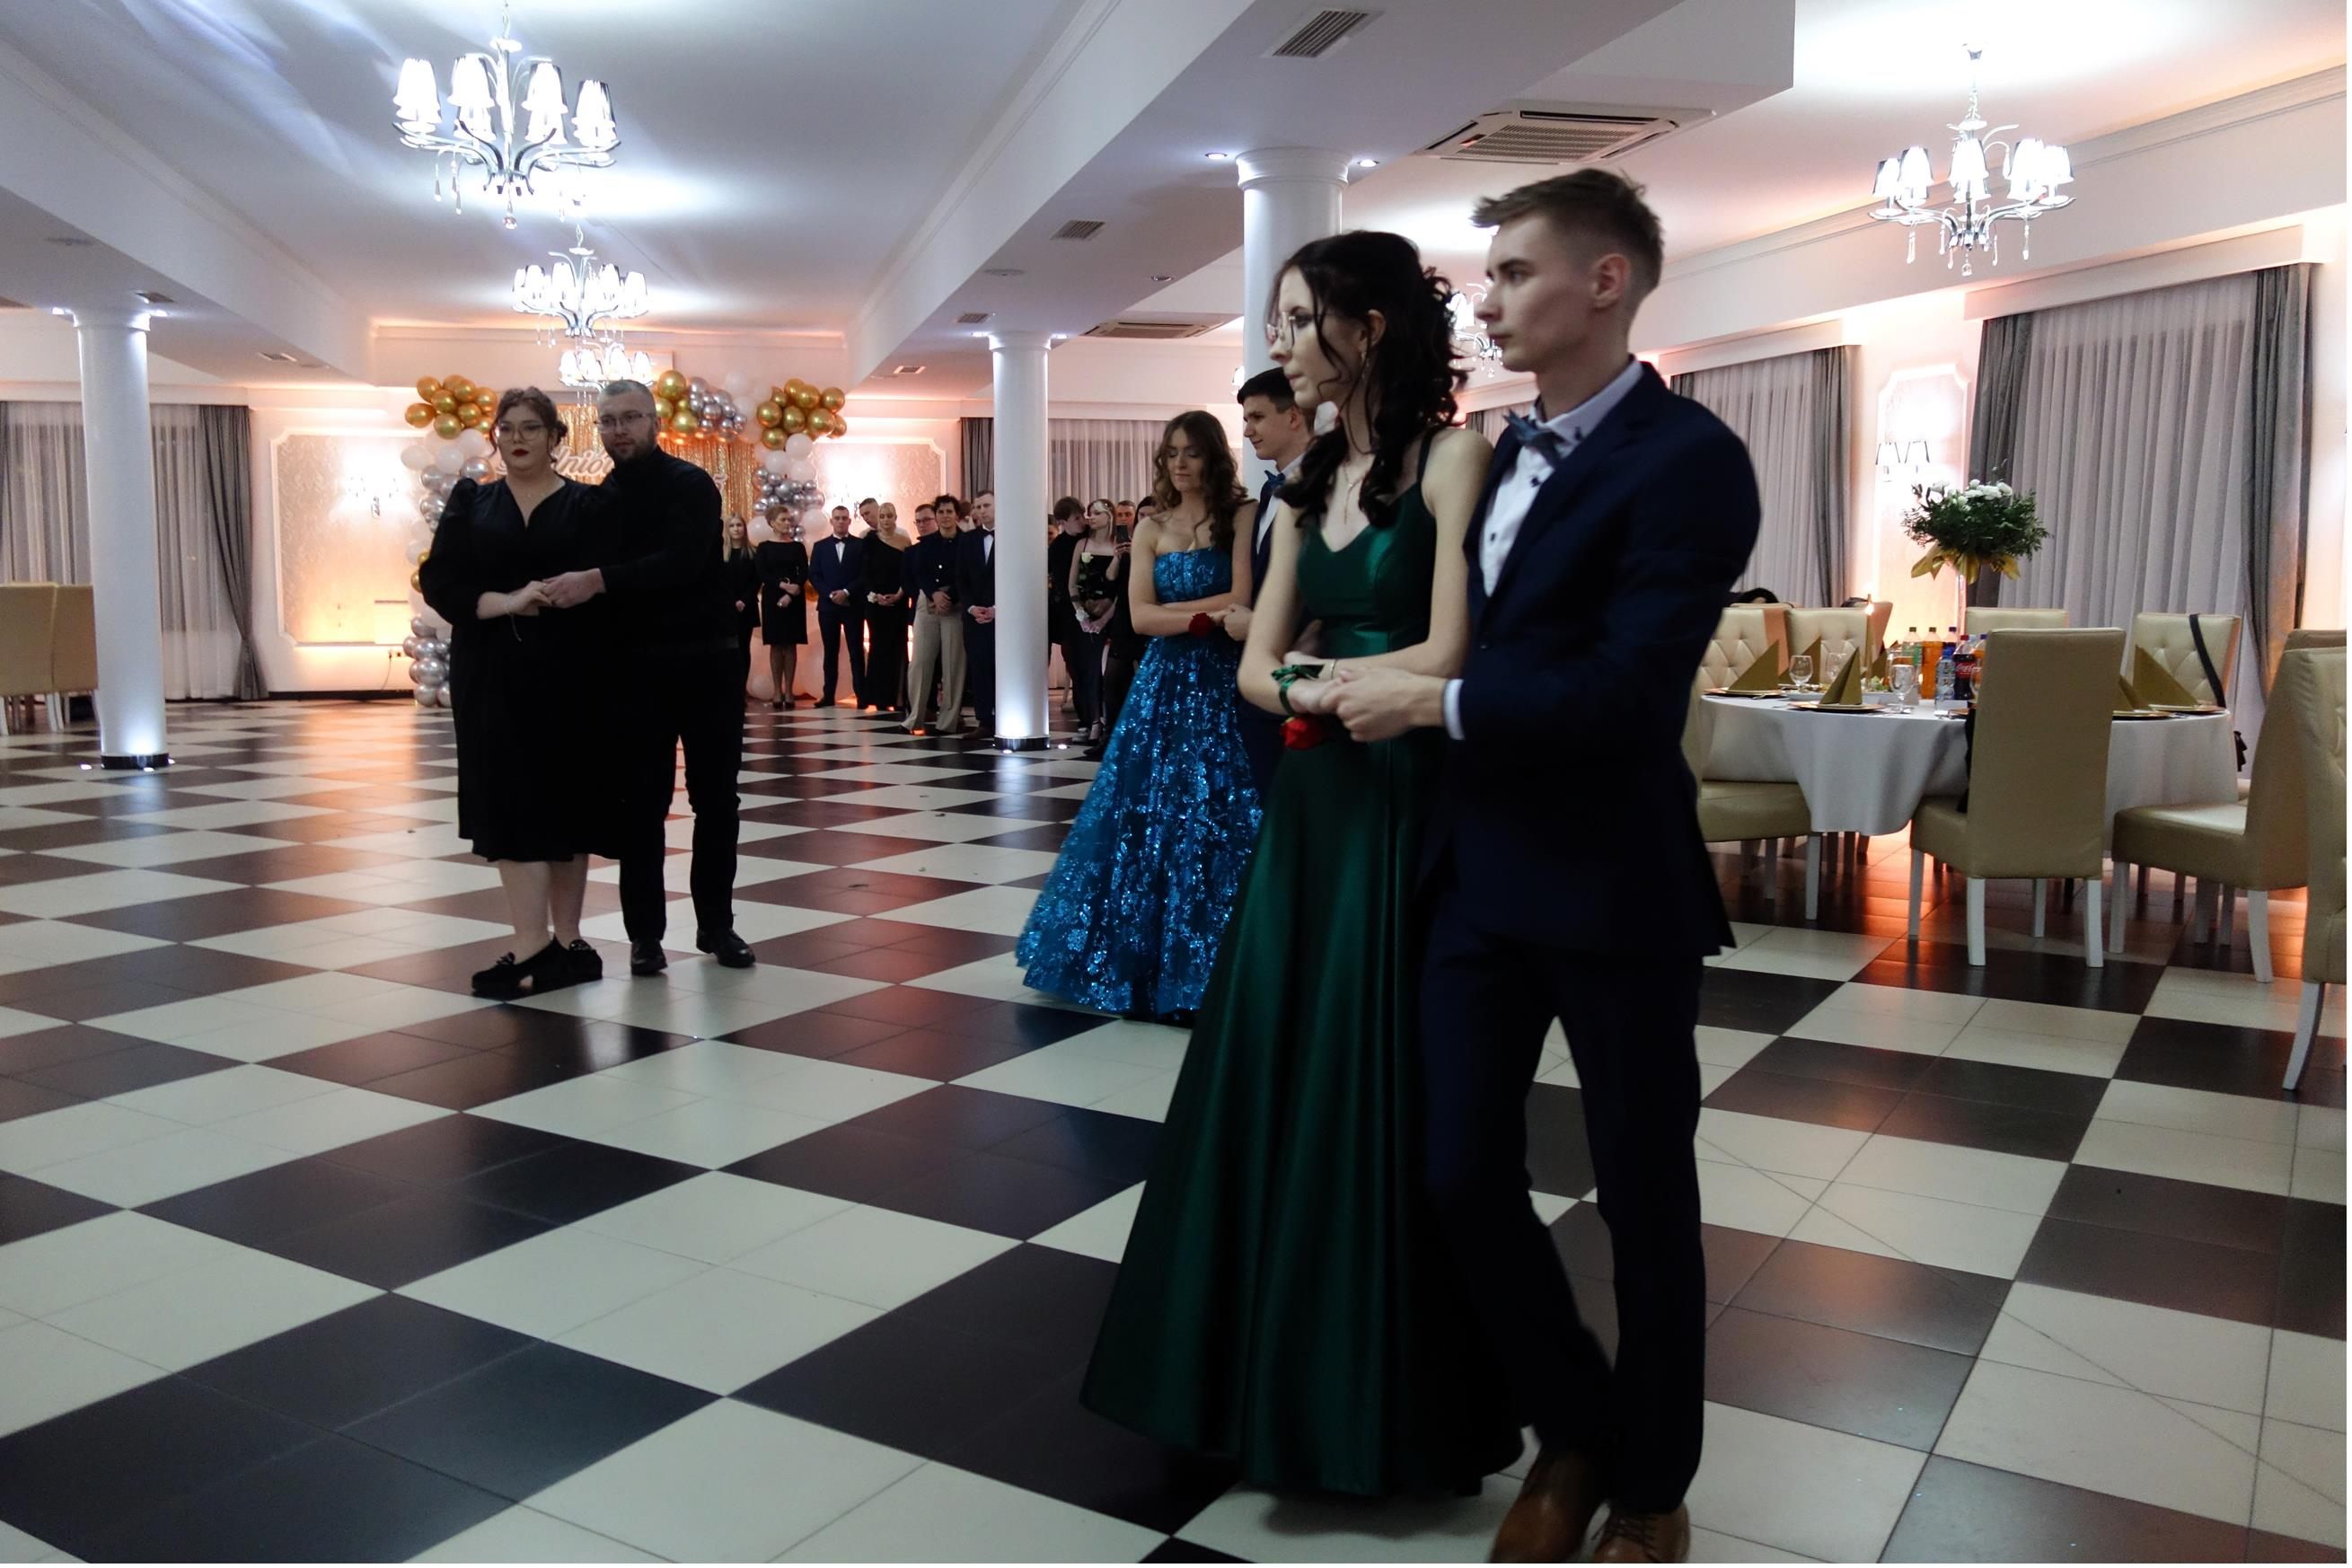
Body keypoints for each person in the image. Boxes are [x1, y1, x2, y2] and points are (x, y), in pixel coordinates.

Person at [1326, 172, 1761, 1564]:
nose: (1488, 299)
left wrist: (1434, 704)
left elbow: (1628, 693)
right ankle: (1573, 1426)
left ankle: (1651, 1484)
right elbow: (1459, 628)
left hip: (1612, 879)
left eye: (1513, 272)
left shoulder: (1689, 460)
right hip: (1477, 869)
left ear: (1604, 280)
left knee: (1642, 1194)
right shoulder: (1494, 451)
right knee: (1456, 1170)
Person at [1081, 234, 1518, 1498]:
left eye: (1293, 320)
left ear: (1366, 327)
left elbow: (1450, 649)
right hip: (1318, 794)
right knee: (1277, 1061)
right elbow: (1252, 666)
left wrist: (1316, 681)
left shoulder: (1453, 457)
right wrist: (1324, 685)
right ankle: (1253, 1375)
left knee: (1376, 1072)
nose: (1275, 344)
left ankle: (1376, 1394)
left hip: (1405, 792)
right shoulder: (1302, 483)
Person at [1014, 410, 1261, 1020]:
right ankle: (1141, 960)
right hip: (1165, 681)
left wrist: (1193, 617)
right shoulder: (1150, 525)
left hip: (1224, 680)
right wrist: (1208, 618)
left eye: (1192, 452)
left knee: (1219, 806)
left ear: (1213, 455)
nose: (1180, 463)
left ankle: (1216, 963)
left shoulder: (1242, 516)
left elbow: (1245, 598)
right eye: (1171, 453)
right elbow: (1143, 617)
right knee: (1147, 809)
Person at [540, 379, 753, 975]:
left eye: (630, 417)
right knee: (640, 806)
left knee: (716, 800)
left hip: (707, 665)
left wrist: (599, 581)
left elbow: (681, 563)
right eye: (608, 421)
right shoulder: (598, 500)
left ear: (654, 422)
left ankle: (717, 926)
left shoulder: (691, 484)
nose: (619, 430)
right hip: (635, 674)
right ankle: (645, 937)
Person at [418, 387, 609, 998]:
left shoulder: (589, 505)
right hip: (493, 672)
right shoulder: (472, 501)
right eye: (507, 428)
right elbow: (440, 580)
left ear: (556, 438)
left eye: (531, 428)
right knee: (510, 799)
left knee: (568, 802)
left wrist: (585, 590)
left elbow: (614, 584)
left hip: (573, 672)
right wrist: (505, 602)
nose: (517, 438)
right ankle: (531, 945)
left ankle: (569, 942)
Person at [1231, 366, 1314, 795]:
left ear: (1294, 416)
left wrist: (1259, 625)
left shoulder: (1324, 484)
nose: (1248, 430)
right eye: (1246, 419)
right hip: (1261, 678)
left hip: (1305, 672)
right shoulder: (1268, 492)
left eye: (1257, 417)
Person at [903, 494, 966, 736]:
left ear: (957, 515)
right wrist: (933, 594)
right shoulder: (927, 543)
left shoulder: (966, 542)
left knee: (953, 664)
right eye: (941, 512)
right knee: (919, 662)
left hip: (955, 605)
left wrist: (949, 596)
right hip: (928, 603)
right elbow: (920, 572)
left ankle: (948, 720)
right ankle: (915, 717)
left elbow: (967, 573)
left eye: (949, 511)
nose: (945, 516)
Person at [1069, 498, 1123, 750]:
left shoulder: (1118, 546)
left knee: (1108, 673)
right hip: (1085, 617)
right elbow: (1072, 584)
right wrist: (1081, 615)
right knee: (1088, 671)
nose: (1091, 517)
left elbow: (1121, 588)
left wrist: (1104, 619)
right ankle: (1093, 722)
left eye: (1097, 513)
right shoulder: (1082, 544)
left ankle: (1109, 723)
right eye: (1089, 513)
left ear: (1109, 516)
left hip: (1111, 617)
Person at [808, 505, 867, 709]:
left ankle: (861, 695)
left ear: (849, 521)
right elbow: (814, 574)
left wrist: (847, 592)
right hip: (828, 606)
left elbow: (864, 574)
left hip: (853, 604)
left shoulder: (860, 545)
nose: (841, 521)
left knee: (856, 651)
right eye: (837, 518)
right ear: (832, 521)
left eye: (844, 518)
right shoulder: (820, 546)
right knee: (830, 651)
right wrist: (829, 593)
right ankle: (828, 695)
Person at [862, 501, 912, 718]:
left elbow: (908, 573)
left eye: (889, 516)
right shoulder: (868, 541)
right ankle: (880, 697)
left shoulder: (904, 541)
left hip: (898, 603)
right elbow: (864, 573)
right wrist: (876, 596)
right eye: (882, 516)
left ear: (895, 518)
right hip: (875, 604)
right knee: (878, 648)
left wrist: (900, 594)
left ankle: (899, 697)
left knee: (899, 647)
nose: (885, 520)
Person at [754, 513, 809, 709]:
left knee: (790, 644)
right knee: (776, 644)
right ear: (772, 523)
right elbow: (762, 573)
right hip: (772, 598)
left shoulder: (797, 547)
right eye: (782, 520)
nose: (787, 523)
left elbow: (803, 571)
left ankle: (789, 691)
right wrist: (781, 585)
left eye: (788, 520)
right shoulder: (764, 547)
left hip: (794, 598)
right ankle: (777, 691)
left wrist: (792, 590)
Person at [1048, 498, 1093, 734]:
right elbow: (1063, 584)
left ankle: (1097, 718)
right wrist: (1079, 608)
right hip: (1070, 613)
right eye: (1077, 518)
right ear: (1063, 522)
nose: (1082, 521)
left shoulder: (1091, 538)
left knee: (1092, 667)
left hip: (1095, 608)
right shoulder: (1057, 547)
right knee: (1077, 666)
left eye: (1083, 516)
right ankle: (1085, 718)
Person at [957, 489, 999, 736]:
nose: (982, 511)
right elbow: (961, 578)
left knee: (1001, 668)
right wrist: (972, 607)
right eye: (978, 506)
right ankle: (984, 720)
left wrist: (996, 609)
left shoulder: (1012, 537)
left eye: (987, 505)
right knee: (978, 666)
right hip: (974, 616)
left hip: (1002, 616)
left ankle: (1005, 717)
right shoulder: (967, 539)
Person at [721, 515, 761, 695]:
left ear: (744, 529)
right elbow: (720, 582)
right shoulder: (721, 554)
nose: (736, 529)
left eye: (739, 525)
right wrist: (731, 601)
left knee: (744, 648)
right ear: (727, 530)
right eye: (732, 526)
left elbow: (756, 580)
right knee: (729, 649)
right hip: (726, 608)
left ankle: (741, 689)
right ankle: (729, 689)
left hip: (747, 607)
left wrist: (744, 600)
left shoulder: (753, 553)